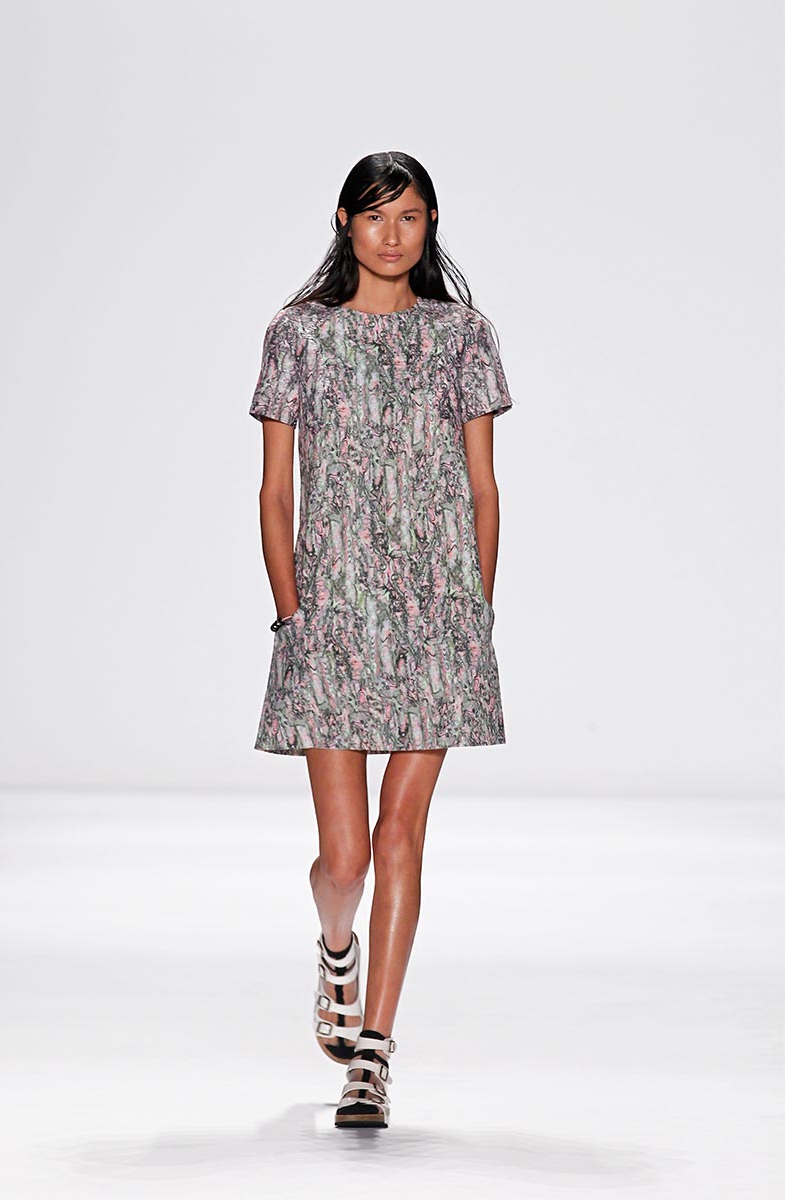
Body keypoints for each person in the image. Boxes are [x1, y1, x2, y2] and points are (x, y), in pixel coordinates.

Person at [248, 151, 514, 1129]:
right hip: (331, 615)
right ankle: (335, 950)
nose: (391, 234)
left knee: (402, 835)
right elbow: (276, 490)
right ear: (343, 222)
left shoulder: (463, 336)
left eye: (407, 215)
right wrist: (291, 612)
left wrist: (473, 614)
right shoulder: (298, 335)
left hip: (436, 616)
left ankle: (371, 1057)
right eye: (373, 215)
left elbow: (483, 488)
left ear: (431, 222)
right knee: (347, 859)